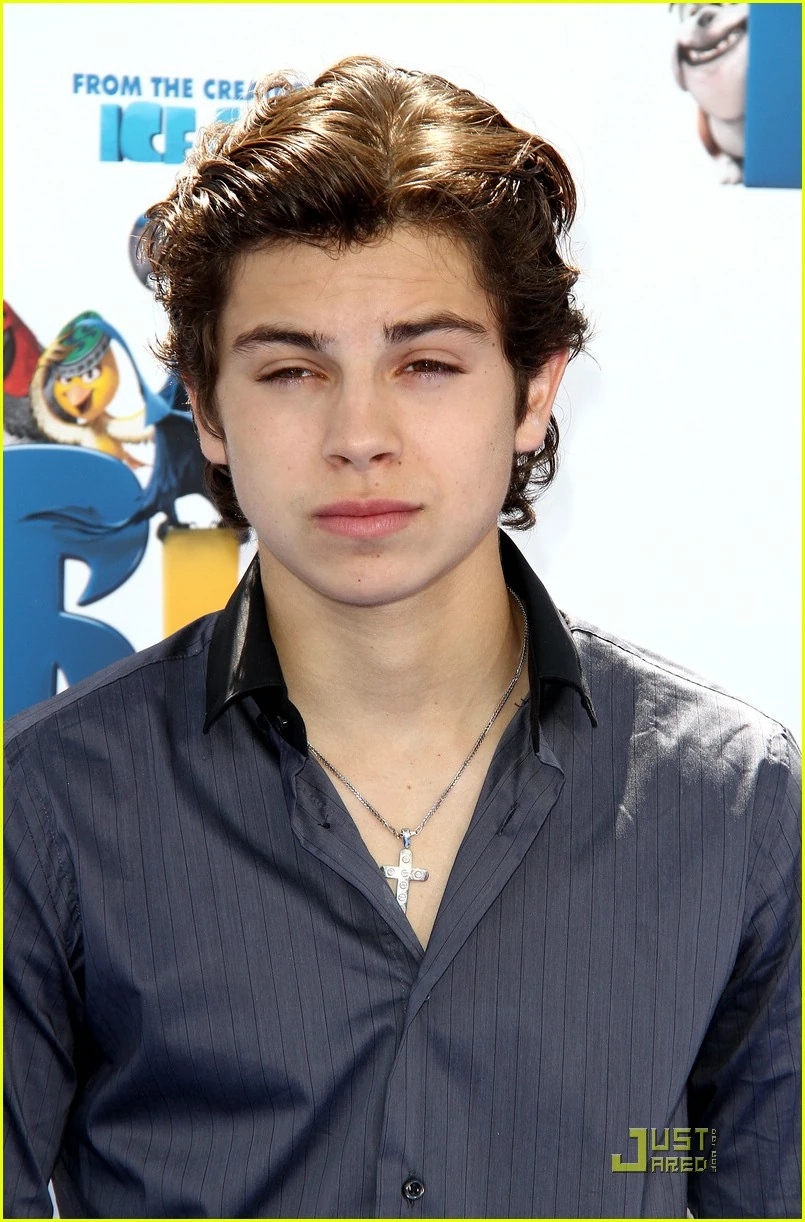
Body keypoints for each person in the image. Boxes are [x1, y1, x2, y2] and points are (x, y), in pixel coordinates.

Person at [4, 56, 799, 1220]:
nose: (359, 434)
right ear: (208, 410)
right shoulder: (46, 803)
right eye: (291, 370)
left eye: (425, 364)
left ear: (534, 391)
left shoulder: (732, 801)